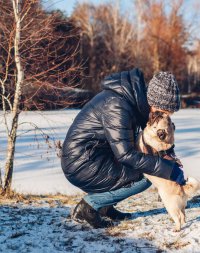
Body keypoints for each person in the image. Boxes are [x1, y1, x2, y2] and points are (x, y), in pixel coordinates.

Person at [61, 68, 185, 228]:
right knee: (144, 177)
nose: (163, 118)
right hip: (81, 162)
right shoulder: (117, 105)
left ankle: (105, 207)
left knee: (145, 168)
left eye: (168, 115)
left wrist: (170, 158)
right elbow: (126, 155)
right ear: (153, 103)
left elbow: (152, 141)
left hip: (96, 157)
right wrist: (166, 169)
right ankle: (89, 207)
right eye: (162, 112)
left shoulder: (135, 103)